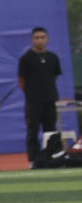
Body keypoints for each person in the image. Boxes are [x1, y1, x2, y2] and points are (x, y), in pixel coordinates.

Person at [19, 26, 65, 168]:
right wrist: (31, 93)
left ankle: (51, 157)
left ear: (47, 39)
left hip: (50, 99)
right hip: (33, 101)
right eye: (37, 38)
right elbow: (22, 80)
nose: (40, 40)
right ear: (32, 40)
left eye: (42, 37)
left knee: (50, 129)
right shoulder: (26, 58)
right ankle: (33, 159)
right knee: (33, 130)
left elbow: (55, 76)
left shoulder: (53, 57)